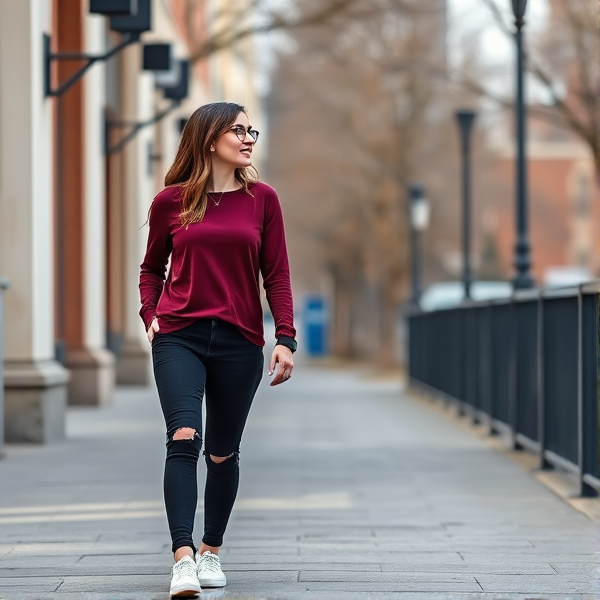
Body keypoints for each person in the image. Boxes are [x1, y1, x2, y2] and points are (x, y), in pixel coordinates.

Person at [139, 102, 297, 598]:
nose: (249, 137)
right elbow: (151, 268)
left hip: (240, 340)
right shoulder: (172, 201)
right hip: (179, 336)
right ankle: (182, 558)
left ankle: (211, 551)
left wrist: (285, 338)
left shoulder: (263, 200)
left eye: (251, 130)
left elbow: (277, 274)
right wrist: (151, 316)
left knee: (222, 453)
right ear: (209, 139)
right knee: (183, 438)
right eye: (238, 130)